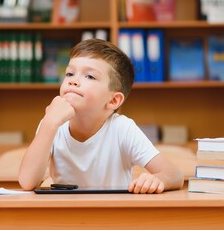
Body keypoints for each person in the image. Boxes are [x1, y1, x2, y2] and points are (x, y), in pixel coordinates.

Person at [18, 39, 184, 194]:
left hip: (113, 218)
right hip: (67, 218)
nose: (73, 81)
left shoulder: (123, 129)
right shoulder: (52, 123)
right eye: (70, 73)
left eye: (89, 76)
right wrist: (50, 123)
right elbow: (27, 182)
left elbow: (175, 174)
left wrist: (157, 179)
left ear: (113, 100)